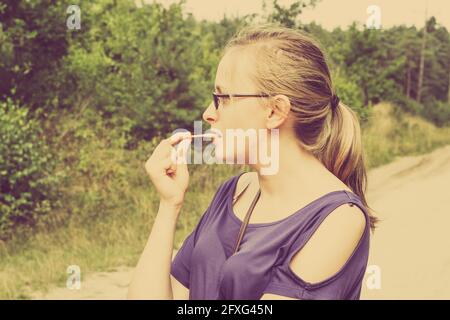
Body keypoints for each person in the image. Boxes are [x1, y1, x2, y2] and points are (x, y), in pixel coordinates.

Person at [127, 24, 378, 300]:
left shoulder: (339, 218)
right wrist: (169, 204)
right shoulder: (234, 192)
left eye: (221, 98)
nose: (208, 113)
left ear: (275, 110)